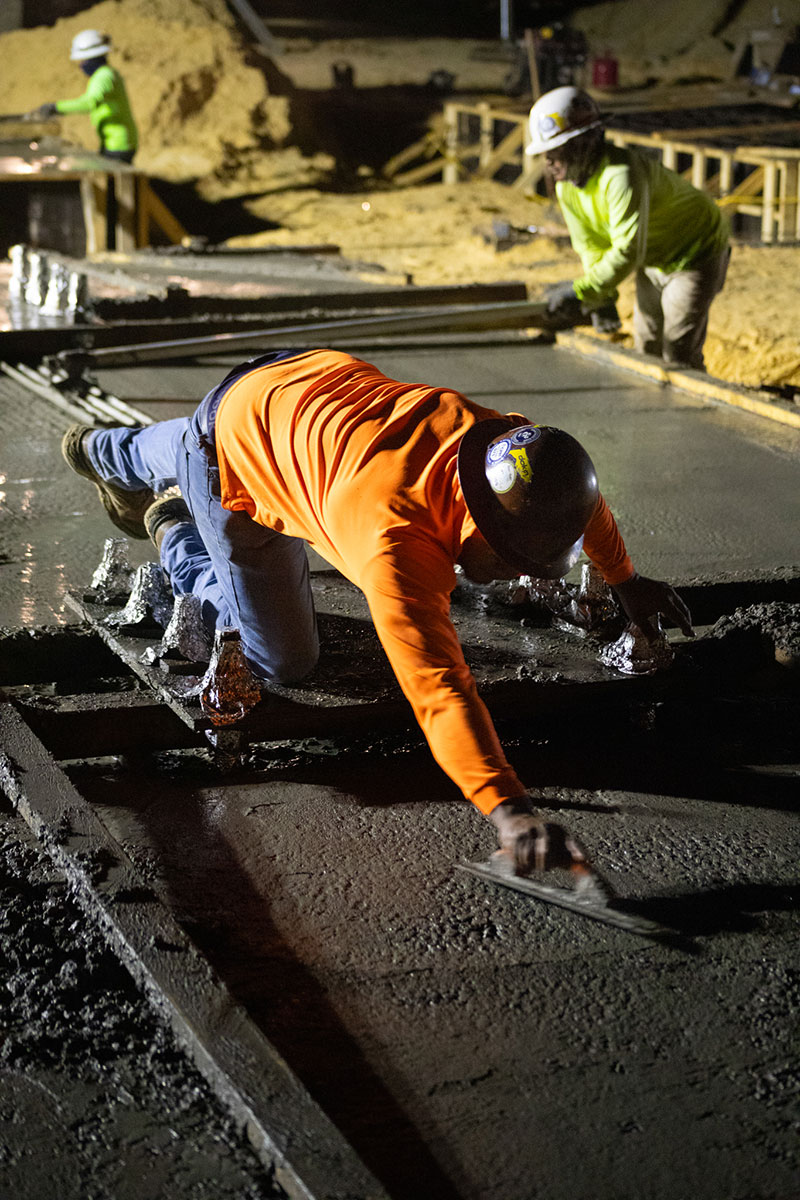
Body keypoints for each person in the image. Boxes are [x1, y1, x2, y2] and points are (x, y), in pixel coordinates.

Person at [61, 349, 693, 875]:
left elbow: (578, 500)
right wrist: (508, 807)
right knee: (283, 658)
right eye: (517, 563)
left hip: (297, 381)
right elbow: (440, 690)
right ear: (481, 530)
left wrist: (626, 580)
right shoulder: (397, 545)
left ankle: (105, 450)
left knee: (192, 433)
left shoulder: (502, 451)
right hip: (238, 447)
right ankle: (174, 527)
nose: (525, 576)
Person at [526, 86, 730, 370]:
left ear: (586, 142)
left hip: (695, 250)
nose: (548, 161)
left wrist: (583, 291)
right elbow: (591, 246)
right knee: (646, 343)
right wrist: (602, 295)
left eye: (556, 151)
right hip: (653, 254)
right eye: (546, 152)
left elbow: (628, 249)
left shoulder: (620, 175)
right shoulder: (568, 188)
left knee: (678, 348)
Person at [30, 29, 137, 163]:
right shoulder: (105, 74)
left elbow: (89, 102)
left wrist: (56, 107)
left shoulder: (104, 76)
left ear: (92, 57)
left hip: (119, 144)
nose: (81, 65)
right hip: (115, 141)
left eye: (83, 60)